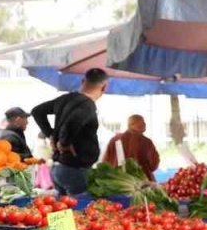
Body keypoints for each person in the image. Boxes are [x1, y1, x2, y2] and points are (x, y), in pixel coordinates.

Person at [32, 68, 108, 196]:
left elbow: (37, 111)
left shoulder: (65, 99)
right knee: (78, 211)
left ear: (83, 81)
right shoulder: (87, 105)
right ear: (104, 87)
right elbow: (73, 121)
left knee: (63, 211)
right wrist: (64, 142)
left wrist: (50, 134)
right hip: (75, 170)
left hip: (59, 168)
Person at [102, 115, 160, 179]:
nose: (144, 124)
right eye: (141, 122)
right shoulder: (146, 142)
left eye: (144, 122)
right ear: (131, 125)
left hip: (117, 180)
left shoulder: (115, 139)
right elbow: (154, 165)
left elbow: (105, 162)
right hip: (142, 183)